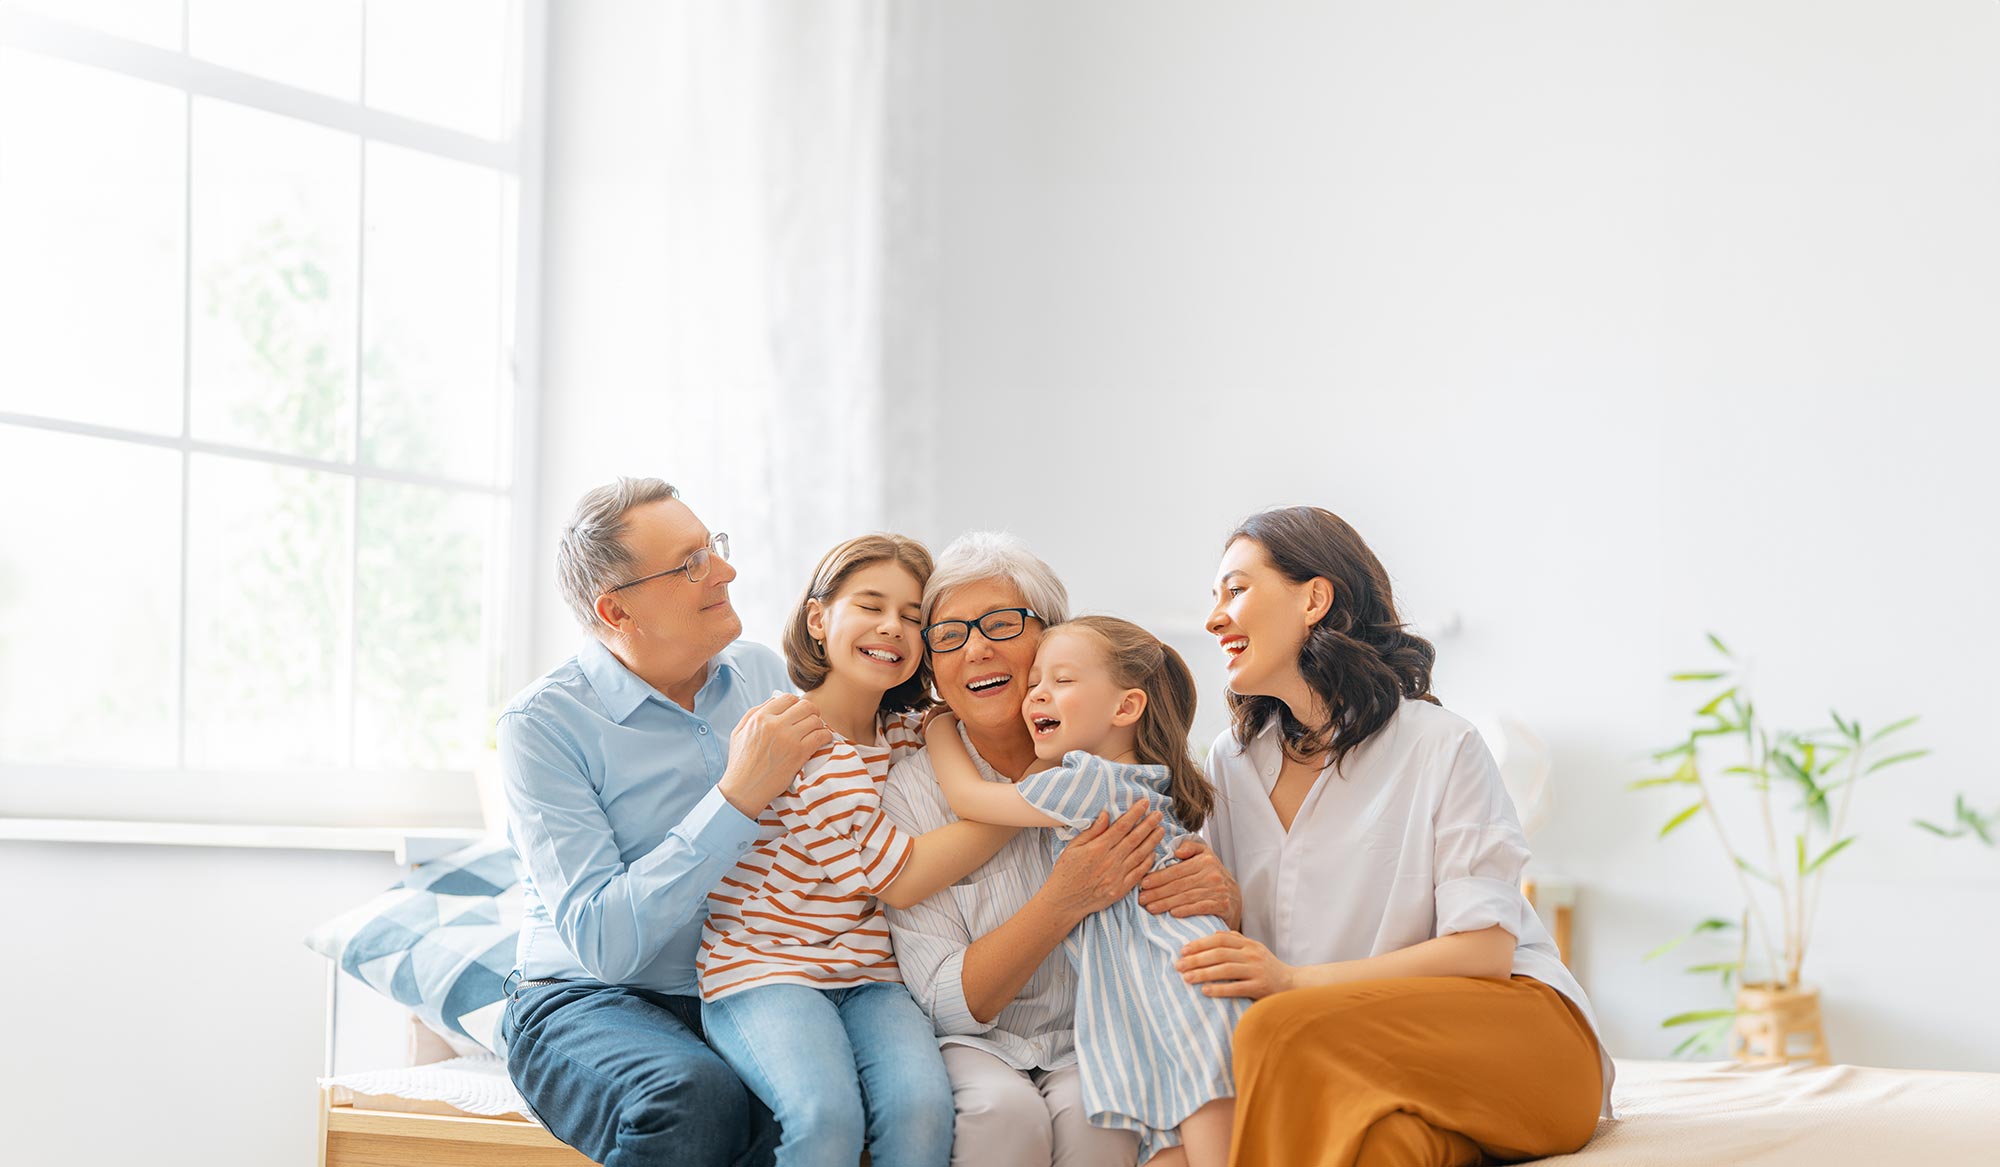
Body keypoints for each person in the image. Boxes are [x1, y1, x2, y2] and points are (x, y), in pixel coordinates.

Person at [1166, 506, 1612, 1167]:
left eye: (1235, 589)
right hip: (1362, 1059)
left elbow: (1485, 950)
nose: (1212, 618)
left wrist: (1293, 980)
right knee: (1383, 1147)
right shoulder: (1228, 765)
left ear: (1314, 598)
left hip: (1523, 1042)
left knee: (1273, 1027)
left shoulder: (1442, 744)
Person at [495, 477, 834, 1167]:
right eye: (691, 564)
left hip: (738, 985)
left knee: (818, 1102)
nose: (726, 571)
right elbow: (604, 943)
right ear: (616, 610)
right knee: (693, 1091)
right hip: (585, 997)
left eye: (713, 548)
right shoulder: (543, 725)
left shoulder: (760, 674)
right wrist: (735, 797)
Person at [697, 534, 1021, 1167]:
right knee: (826, 1120)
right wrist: (1028, 808)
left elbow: (952, 733)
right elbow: (899, 878)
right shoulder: (794, 736)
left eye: (913, 617)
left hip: (874, 978)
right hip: (766, 969)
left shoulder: (907, 728)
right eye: (871, 606)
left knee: (923, 1116)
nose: (892, 628)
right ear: (819, 619)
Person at [878, 532, 1172, 1167]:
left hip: (1091, 1036)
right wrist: (1063, 900)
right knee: (1001, 1116)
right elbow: (946, 1004)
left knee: (1105, 1114)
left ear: (1054, 636)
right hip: (976, 1044)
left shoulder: (1114, 760)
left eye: (1001, 624)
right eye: (949, 635)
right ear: (932, 668)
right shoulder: (909, 790)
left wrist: (1215, 890)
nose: (976, 648)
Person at [927, 616, 1244, 1167]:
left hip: (1181, 985)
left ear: (1125, 709)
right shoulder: (1131, 777)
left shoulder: (1088, 781)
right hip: (1166, 985)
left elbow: (968, 798)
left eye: (1062, 681)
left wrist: (937, 727)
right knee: (1167, 1148)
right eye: (1035, 684)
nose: (1037, 696)